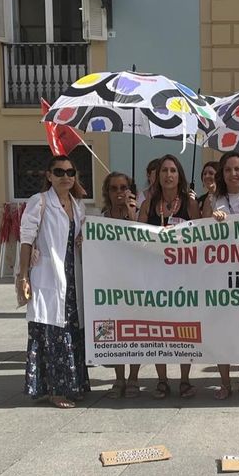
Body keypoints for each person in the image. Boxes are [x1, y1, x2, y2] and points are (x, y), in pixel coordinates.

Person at [16, 155, 91, 408]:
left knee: (71, 330)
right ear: (49, 175)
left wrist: (83, 241)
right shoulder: (39, 202)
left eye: (70, 172)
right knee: (51, 333)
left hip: (72, 277)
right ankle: (55, 390)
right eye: (59, 172)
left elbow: (79, 237)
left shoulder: (78, 205)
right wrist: (23, 276)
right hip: (48, 276)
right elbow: (26, 239)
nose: (65, 177)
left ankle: (74, 384)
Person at [137, 155, 201, 399]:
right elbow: (138, 236)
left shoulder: (189, 204)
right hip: (155, 276)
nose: (168, 175)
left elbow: (200, 236)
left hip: (183, 276)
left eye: (173, 170)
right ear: (158, 176)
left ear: (179, 175)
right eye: (164, 170)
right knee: (159, 329)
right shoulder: (149, 204)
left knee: (184, 329)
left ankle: (184, 380)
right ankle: (162, 380)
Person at [203, 152, 239, 400]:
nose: (233, 174)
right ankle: (225, 383)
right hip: (220, 276)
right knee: (223, 330)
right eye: (228, 170)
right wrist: (212, 219)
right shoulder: (213, 199)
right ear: (222, 174)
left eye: (237, 169)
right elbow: (202, 235)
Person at [98, 171, 141, 399]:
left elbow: (142, 240)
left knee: (134, 330)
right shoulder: (102, 218)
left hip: (134, 282)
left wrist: (131, 212)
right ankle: (119, 378)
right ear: (107, 192)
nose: (118, 192)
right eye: (113, 188)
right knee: (114, 331)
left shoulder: (136, 212)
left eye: (123, 187)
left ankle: (134, 378)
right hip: (111, 283)